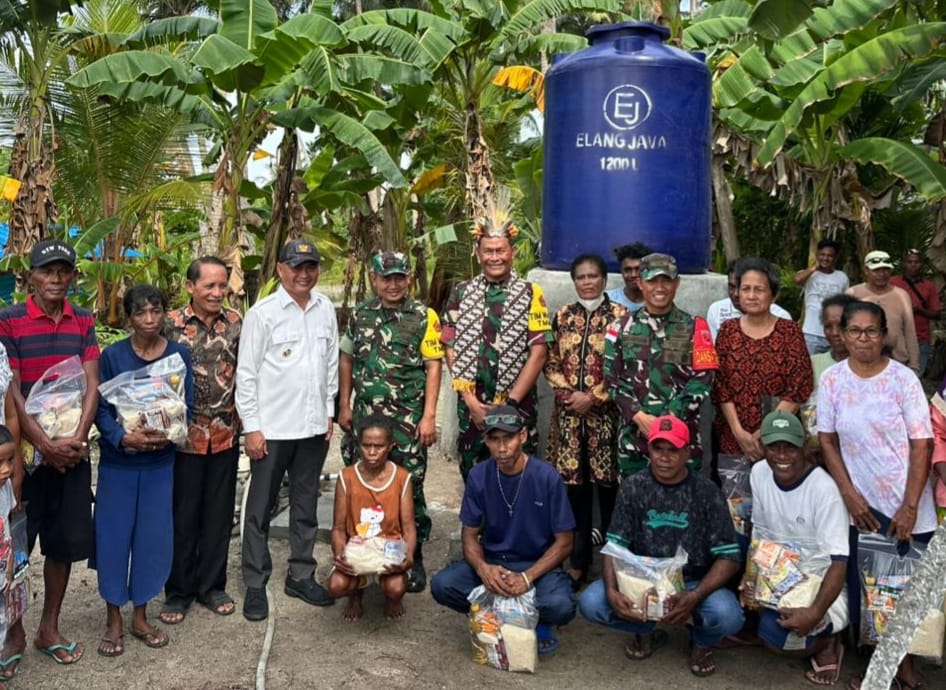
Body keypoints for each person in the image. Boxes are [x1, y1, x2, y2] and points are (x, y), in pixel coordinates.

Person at [818, 300, 936, 690]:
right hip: (862, 508)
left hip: (907, 506)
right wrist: (849, 495)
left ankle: (906, 670)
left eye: (872, 331)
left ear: (884, 336)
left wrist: (910, 506)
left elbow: (922, 445)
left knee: (910, 591)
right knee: (870, 591)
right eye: (855, 331)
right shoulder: (833, 380)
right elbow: (827, 439)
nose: (863, 339)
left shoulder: (904, 380)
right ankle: (878, 668)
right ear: (842, 335)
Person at [577, 415, 744, 677]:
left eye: (673, 450)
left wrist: (695, 596)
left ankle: (700, 641)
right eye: (658, 448)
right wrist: (611, 590)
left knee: (728, 616)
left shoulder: (706, 492)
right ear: (648, 449)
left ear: (687, 452)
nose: (664, 457)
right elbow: (614, 545)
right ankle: (645, 631)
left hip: (692, 583)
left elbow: (729, 557)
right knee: (592, 602)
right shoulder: (634, 487)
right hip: (643, 581)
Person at [0, 239, 99, 671]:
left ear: (73, 276)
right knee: (16, 548)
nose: (56, 279)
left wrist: (76, 436)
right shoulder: (10, 320)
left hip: (72, 451)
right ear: (31, 277)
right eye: (47, 271)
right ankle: (13, 630)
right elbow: (12, 391)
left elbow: (91, 383)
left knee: (64, 543)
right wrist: (40, 443)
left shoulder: (84, 321)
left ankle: (49, 628)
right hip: (24, 456)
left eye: (64, 271)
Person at [235, 239, 339, 621]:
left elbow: (329, 365)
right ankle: (254, 582)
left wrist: (328, 413)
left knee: (306, 504)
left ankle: (300, 573)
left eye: (310, 266)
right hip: (273, 428)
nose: (304, 274)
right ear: (280, 269)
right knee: (259, 507)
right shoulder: (263, 314)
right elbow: (246, 375)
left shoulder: (325, 308)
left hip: (312, 428)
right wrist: (252, 428)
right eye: (296, 266)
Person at [93, 285, 195, 657]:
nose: (149, 320)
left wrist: (167, 434)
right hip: (120, 465)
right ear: (128, 317)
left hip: (159, 464)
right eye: (140, 313)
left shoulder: (178, 355)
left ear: (166, 313)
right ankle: (113, 619)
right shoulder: (113, 356)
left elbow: (188, 406)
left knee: (152, 540)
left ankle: (140, 615)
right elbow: (101, 409)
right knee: (113, 538)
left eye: (156, 311)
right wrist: (123, 437)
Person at [430, 405, 576, 654]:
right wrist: (483, 569)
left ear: (523, 436)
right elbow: (469, 535)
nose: (501, 448)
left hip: (535, 565)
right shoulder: (478, 475)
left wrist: (527, 577)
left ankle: (534, 622)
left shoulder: (546, 476)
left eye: (508, 438)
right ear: (485, 441)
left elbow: (565, 542)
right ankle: (496, 615)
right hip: (494, 561)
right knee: (442, 585)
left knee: (561, 604)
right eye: (494, 439)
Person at [337, 251, 441, 593]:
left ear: (408, 278)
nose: (393, 284)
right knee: (363, 484)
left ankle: (414, 555)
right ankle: (365, 552)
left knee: (411, 484)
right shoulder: (361, 314)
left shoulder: (423, 316)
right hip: (367, 418)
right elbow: (347, 358)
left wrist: (428, 416)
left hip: (408, 419)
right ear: (374, 279)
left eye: (399, 277)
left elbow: (433, 366)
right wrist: (345, 403)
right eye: (386, 278)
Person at [440, 204, 552, 480]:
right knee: (474, 475)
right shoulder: (462, 293)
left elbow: (539, 353)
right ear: (478, 254)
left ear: (512, 252)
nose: (495, 257)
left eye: (500, 250)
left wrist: (509, 403)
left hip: (516, 406)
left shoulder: (530, 294)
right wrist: (470, 401)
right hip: (472, 407)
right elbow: (449, 346)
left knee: (519, 474)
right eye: (488, 251)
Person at [160, 257, 242, 624]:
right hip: (183, 438)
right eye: (209, 286)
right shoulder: (169, 325)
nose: (217, 292)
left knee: (219, 515)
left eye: (222, 285)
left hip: (225, 433)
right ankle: (178, 591)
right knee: (182, 514)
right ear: (190, 286)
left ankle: (212, 586)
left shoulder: (237, 323)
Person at [750, 411, 850, 686]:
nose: (782, 455)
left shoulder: (824, 490)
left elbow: (839, 562)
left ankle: (830, 639)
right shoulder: (759, 473)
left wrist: (815, 612)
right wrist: (751, 585)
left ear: (805, 448)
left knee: (778, 640)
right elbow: (760, 533)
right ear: (763, 448)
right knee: (767, 633)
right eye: (773, 447)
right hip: (779, 574)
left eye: (790, 447)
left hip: (819, 581)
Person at [544, 253, 626, 586]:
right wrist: (571, 398)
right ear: (574, 281)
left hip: (605, 420)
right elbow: (549, 362)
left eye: (594, 276)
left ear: (605, 280)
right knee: (573, 493)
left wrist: (592, 397)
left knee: (608, 492)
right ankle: (577, 562)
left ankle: (611, 567)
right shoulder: (563, 316)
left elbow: (624, 365)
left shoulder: (620, 317)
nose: (588, 282)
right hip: (568, 422)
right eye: (581, 277)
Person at [604, 252, 718, 477]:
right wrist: (638, 416)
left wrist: (668, 419)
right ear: (640, 283)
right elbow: (611, 377)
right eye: (652, 280)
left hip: (681, 445)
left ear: (677, 283)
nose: (660, 287)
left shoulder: (696, 327)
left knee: (681, 509)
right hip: (635, 443)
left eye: (666, 280)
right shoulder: (620, 326)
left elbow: (704, 378)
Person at [713, 258, 813, 462]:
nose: (751, 296)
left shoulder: (789, 332)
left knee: (776, 491)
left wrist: (765, 432)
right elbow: (721, 385)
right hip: (733, 436)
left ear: (773, 295)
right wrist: (739, 433)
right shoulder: (728, 330)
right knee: (737, 493)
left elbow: (800, 384)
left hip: (779, 436)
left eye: (759, 289)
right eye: (745, 289)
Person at [328, 415, 415, 622]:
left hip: (388, 550)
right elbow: (338, 528)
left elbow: (409, 527)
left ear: (390, 446)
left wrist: (408, 558)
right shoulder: (346, 477)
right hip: (358, 550)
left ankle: (391, 598)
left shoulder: (402, 478)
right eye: (367, 446)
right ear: (359, 445)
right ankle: (355, 595)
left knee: (396, 587)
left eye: (379, 446)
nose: (372, 452)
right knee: (336, 585)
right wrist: (340, 555)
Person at [846, 250, 920, 374]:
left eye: (886, 270)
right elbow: (845, 330)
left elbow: (910, 331)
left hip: (897, 363)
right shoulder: (852, 294)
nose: (882, 274)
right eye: (876, 270)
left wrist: (914, 365)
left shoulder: (901, 295)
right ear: (866, 270)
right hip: (860, 363)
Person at [707, 261, 791, 341]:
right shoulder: (717, 312)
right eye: (732, 287)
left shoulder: (783, 320)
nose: (736, 294)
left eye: (758, 290)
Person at [891, 248, 941, 376]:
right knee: (894, 377)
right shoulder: (893, 282)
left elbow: (936, 314)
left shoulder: (929, 286)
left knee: (915, 377)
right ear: (903, 263)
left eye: (917, 262)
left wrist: (918, 310)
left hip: (921, 339)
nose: (913, 265)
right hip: (896, 338)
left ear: (921, 264)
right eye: (909, 262)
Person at [794, 239, 849, 355]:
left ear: (835, 257)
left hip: (834, 334)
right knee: (809, 368)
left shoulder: (842, 277)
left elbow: (845, 303)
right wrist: (814, 268)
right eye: (822, 255)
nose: (826, 258)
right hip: (811, 333)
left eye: (830, 256)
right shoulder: (809, 274)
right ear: (817, 254)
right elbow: (797, 279)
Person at [606, 242, 653, 311]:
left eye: (638, 269)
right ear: (621, 271)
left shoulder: (658, 301)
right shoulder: (607, 299)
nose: (633, 275)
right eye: (627, 270)